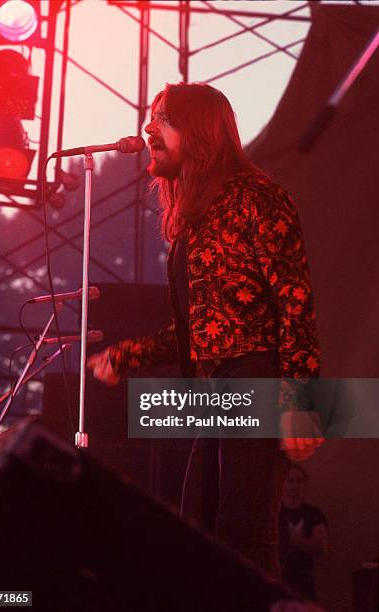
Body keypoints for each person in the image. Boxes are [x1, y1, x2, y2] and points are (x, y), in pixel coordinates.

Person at [87, 82, 322, 574]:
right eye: (151, 117)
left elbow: (294, 304)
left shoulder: (259, 198)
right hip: (216, 389)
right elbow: (198, 330)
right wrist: (126, 356)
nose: (149, 128)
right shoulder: (194, 218)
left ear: (198, 132)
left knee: (242, 540)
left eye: (164, 119)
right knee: (198, 529)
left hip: (257, 377)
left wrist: (301, 403)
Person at [278, 464, 328, 600]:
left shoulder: (313, 513)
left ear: (305, 485)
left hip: (304, 582)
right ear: (282, 483)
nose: (295, 485)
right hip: (277, 578)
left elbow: (321, 547)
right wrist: (305, 542)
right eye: (290, 480)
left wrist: (290, 540)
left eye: (299, 481)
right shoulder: (273, 513)